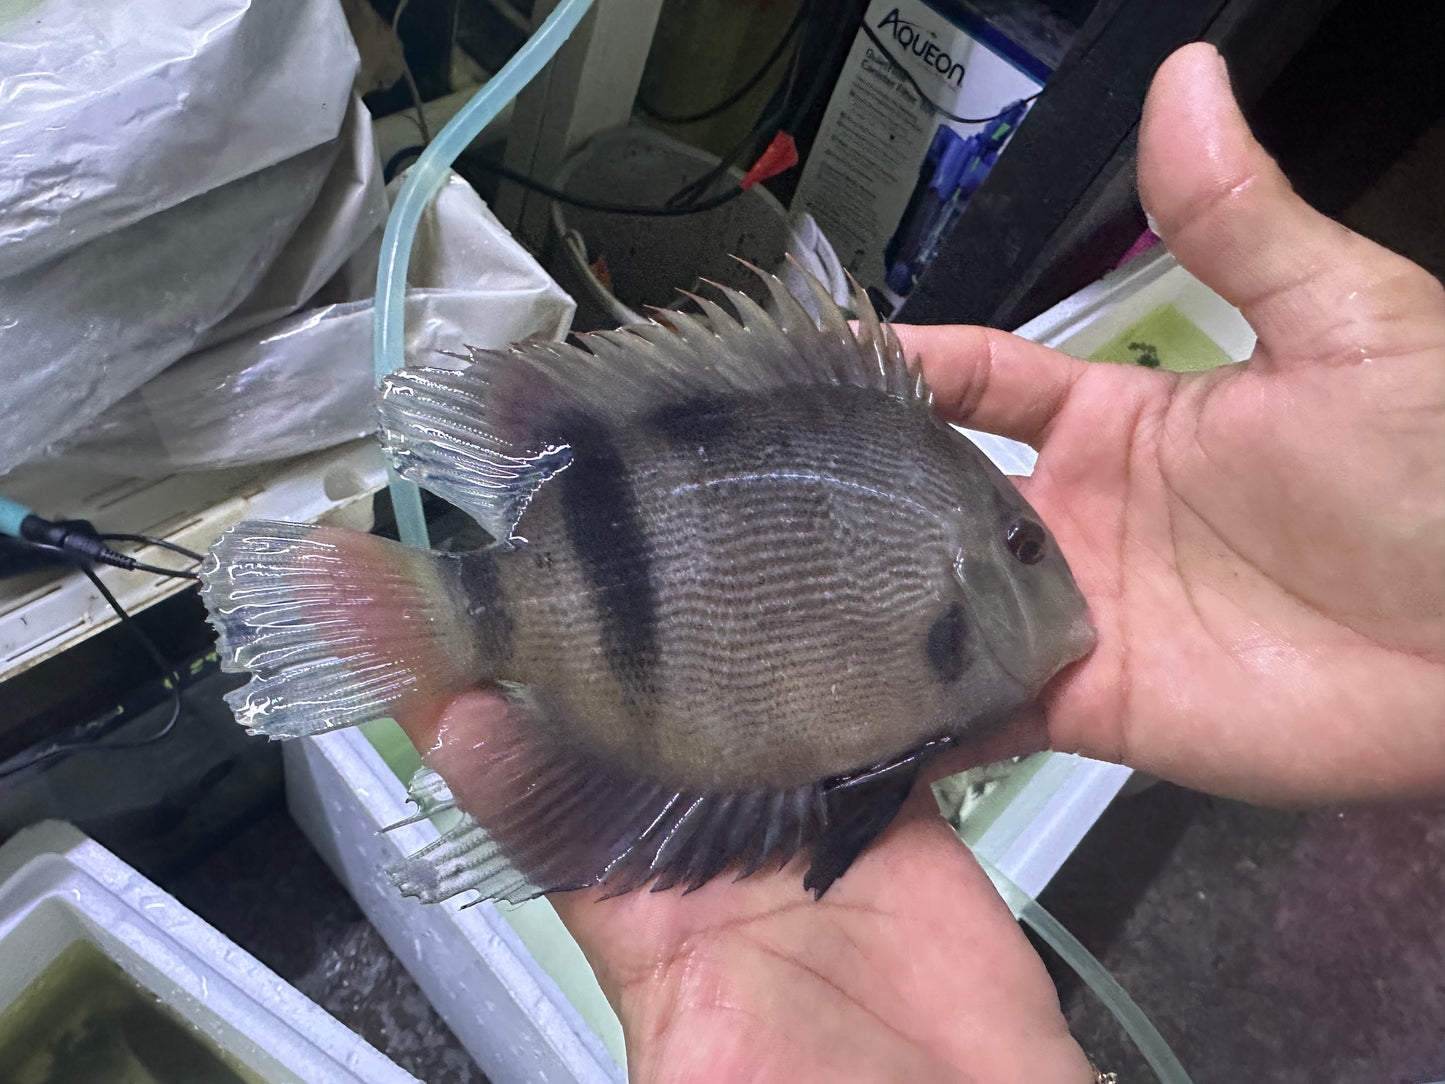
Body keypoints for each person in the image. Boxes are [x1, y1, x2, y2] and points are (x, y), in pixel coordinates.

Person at [439, 42, 1445, 1081]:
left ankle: (454, 615)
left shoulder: (959, 564)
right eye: (1023, 544)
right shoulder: (956, 574)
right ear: (982, 568)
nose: (1049, 574)